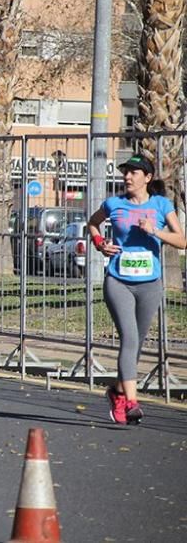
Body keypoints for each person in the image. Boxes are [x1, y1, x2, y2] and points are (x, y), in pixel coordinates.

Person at [87, 154, 185, 426]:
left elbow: (182, 241)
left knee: (137, 344)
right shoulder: (113, 204)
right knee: (129, 338)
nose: (127, 177)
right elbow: (93, 223)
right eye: (125, 172)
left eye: (134, 172)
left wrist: (155, 231)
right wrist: (99, 242)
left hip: (150, 285)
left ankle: (117, 392)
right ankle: (131, 403)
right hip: (118, 281)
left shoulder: (161, 204)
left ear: (147, 177)